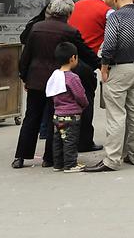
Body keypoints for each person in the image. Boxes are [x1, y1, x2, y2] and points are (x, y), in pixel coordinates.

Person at [12, 0, 99, 169]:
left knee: (31, 117)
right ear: (69, 13)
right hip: (57, 80)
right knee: (54, 116)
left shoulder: (36, 28)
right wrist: (101, 63)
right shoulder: (70, 31)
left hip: (35, 78)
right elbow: (84, 52)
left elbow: (26, 56)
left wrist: (24, 76)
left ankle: (20, 156)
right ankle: (49, 158)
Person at [85, 0, 134, 172]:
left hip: (118, 68)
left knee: (116, 115)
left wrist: (104, 66)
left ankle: (112, 159)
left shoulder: (115, 17)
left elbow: (110, 43)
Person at [68, 0, 116, 152]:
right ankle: (84, 142)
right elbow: (113, 39)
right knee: (86, 102)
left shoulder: (77, 4)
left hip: (68, 61)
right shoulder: (108, 12)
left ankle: (68, 140)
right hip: (87, 62)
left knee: (68, 102)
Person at [46, 42, 88, 172]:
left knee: (58, 140)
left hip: (57, 114)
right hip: (71, 115)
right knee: (70, 141)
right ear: (72, 58)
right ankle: (70, 164)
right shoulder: (72, 78)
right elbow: (80, 95)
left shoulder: (54, 75)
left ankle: (58, 164)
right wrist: (85, 104)